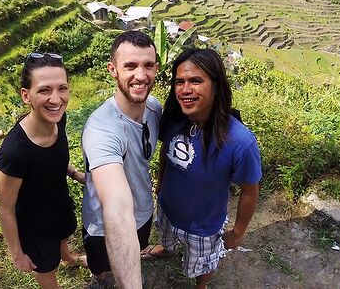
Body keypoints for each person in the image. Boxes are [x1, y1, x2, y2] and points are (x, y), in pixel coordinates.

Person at [144, 48, 262, 289]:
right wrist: (160, 184)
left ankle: (201, 285)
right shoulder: (174, 119)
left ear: (217, 86)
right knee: (166, 235)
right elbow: (166, 153)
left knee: (203, 263)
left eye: (196, 81)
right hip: (168, 208)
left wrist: (237, 233)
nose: (185, 90)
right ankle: (167, 247)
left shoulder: (240, 141)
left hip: (204, 226)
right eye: (180, 82)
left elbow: (250, 190)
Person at [0, 52, 86, 289]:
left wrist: (75, 173)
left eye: (62, 88)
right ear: (26, 95)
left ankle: (68, 258)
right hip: (35, 227)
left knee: (65, 233)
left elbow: (52, 159)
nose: (56, 99)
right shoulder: (14, 152)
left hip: (59, 204)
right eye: (45, 90)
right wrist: (17, 254)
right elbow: (5, 209)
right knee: (46, 268)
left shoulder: (58, 119)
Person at [81, 30, 161, 288]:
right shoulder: (101, 129)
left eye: (148, 65)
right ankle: (101, 278)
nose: (141, 75)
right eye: (130, 66)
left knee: (136, 248)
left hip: (144, 210)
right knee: (100, 265)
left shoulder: (155, 108)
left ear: (156, 68)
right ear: (112, 70)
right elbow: (116, 207)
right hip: (103, 223)